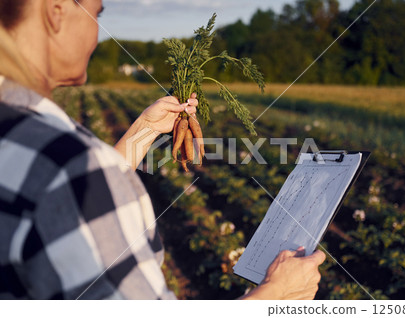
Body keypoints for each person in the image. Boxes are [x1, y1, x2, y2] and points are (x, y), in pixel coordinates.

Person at [0, 0, 325, 300]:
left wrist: (146, 129)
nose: (97, 34)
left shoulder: (20, 135)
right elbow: (73, 182)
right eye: (97, 14)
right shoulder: (71, 167)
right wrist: (274, 295)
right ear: (56, 11)